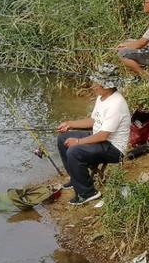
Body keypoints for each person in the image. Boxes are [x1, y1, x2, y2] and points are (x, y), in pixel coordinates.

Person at [56, 63, 131, 205]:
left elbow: (103, 136)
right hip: (100, 139)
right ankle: (76, 178)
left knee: (74, 151)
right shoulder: (102, 97)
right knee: (62, 139)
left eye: (98, 83)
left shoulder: (116, 104)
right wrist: (70, 124)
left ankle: (87, 193)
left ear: (108, 86)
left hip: (113, 149)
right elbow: (93, 121)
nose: (93, 85)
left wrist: (78, 142)